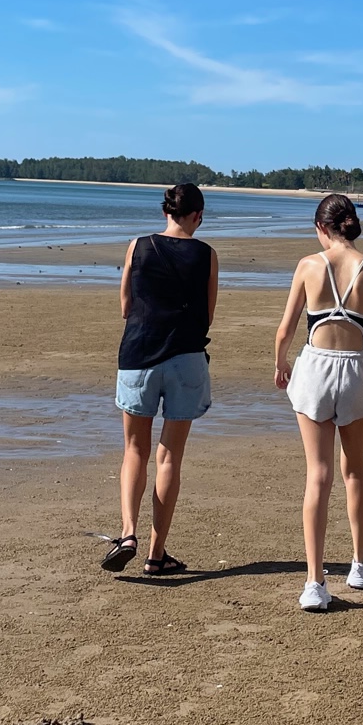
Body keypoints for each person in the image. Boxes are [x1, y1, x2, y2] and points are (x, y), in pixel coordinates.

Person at [273, 193, 363, 612]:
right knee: (355, 470)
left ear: (321, 228)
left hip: (314, 370)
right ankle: (361, 564)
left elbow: (286, 328)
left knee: (319, 475)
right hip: (357, 371)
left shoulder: (309, 265)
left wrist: (280, 363)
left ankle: (315, 582)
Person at [101, 182, 218, 576]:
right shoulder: (207, 254)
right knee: (170, 457)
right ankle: (156, 554)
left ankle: (128, 534)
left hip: (139, 354)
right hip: (186, 358)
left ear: (165, 212)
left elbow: (125, 306)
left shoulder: (138, 246)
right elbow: (207, 315)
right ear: (198, 216)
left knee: (135, 449)